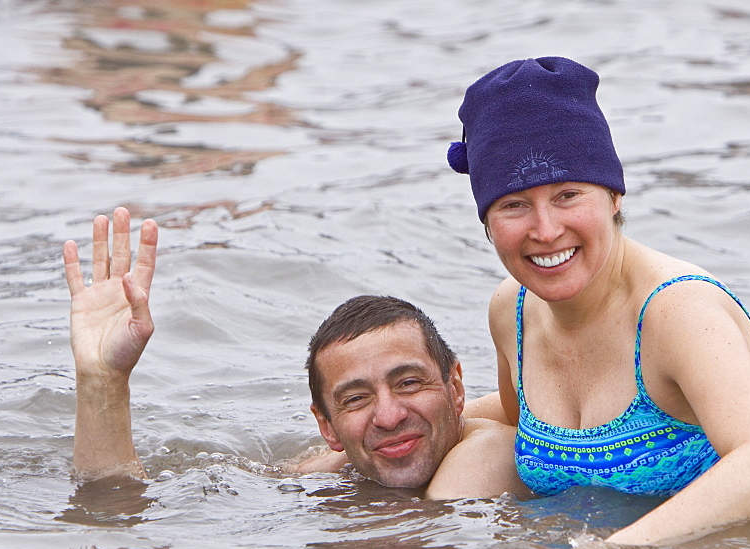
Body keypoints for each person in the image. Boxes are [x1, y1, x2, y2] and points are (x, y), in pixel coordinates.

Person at [447, 56, 750, 545]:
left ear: (614, 195)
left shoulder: (677, 311)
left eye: (568, 195)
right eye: (514, 205)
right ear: (487, 223)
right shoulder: (513, 310)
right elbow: (513, 421)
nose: (546, 230)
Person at [62, 207, 527, 500]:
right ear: (327, 427)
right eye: (356, 399)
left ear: (456, 387)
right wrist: (103, 380)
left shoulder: (490, 453)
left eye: (408, 383)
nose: (388, 416)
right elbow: (112, 498)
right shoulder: (335, 469)